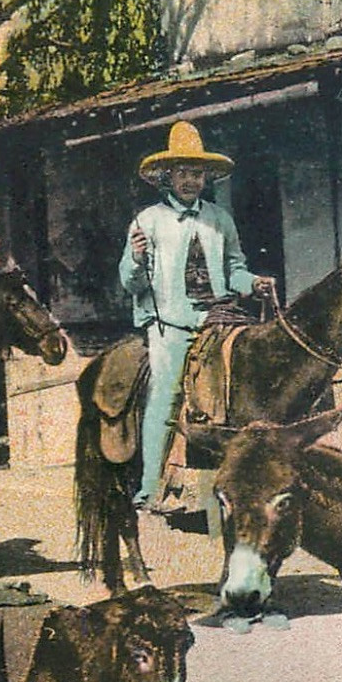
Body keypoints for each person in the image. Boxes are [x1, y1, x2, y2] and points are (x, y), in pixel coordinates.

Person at [119, 121, 276, 509]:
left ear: (207, 177)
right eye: (183, 172)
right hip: (169, 325)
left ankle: (233, 488)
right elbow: (130, 282)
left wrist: (252, 282)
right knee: (167, 397)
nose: (190, 180)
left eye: (197, 173)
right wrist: (137, 258)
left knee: (237, 393)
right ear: (167, 177)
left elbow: (234, 268)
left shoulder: (219, 220)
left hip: (218, 321)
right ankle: (149, 488)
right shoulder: (147, 221)